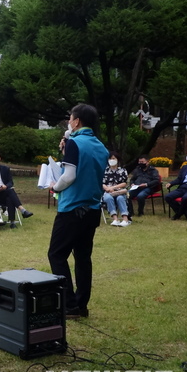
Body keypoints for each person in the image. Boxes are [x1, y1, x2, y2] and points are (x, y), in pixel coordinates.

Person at [48, 104, 108, 318]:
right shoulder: (101, 146)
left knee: (56, 254)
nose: (68, 123)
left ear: (77, 121)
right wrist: (67, 141)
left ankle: (68, 304)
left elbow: (69, 176)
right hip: (92, 208)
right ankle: (81, 305)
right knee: (83, 257)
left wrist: (55, 187)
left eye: (70, 119)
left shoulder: (74, 143)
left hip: (72, 207)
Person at [0, 150, 33, 228]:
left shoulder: (5, 169)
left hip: (3, 192)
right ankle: (21, 211)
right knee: (10, 193)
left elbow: (10, 182)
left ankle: (13, 222)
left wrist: (5, 186)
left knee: (9, 194)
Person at [102, 152, 130, 227]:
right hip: (108, 192)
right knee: (108, 198)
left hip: (119, 191)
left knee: (120, 198)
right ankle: (115, 219)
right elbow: (102, 183)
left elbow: (124, 183)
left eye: (113, 158)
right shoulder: (105, 171)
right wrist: (107, 188)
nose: (111, 160)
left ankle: (125, 219)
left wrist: (113, 188)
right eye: (110, 158)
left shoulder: (123, 170)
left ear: (118, 160)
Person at [165, 148, 187, 220]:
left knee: (186, 198)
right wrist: (171, 183)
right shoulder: (185, 167)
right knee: (168, 197)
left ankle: (178, 215)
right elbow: (179, 179)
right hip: (183, 187)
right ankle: (185, 211)